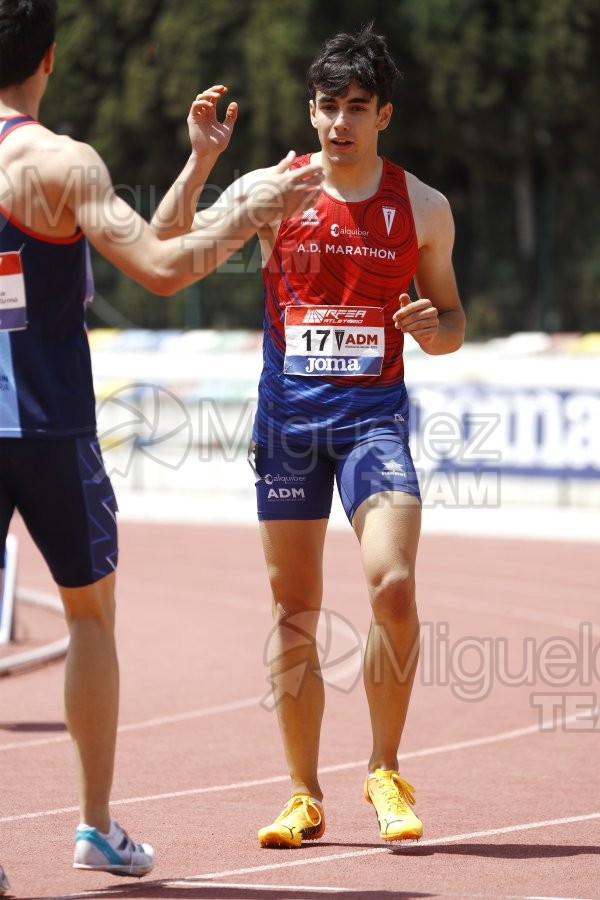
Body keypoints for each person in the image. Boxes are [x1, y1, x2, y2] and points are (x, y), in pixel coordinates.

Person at [0, 0, 322, 885]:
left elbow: (146, 240)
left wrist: (200, 167)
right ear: (50, 59)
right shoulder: (59, 162)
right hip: (48, 422)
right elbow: (163, 272)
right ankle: (95, 826)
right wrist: (250, 201)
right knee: (89, 615)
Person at [247, 23, 466, 847]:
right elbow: (179, 247)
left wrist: (427, 326)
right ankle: (303, 793)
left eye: (357, 107)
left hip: (374, 424)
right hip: (289, 429)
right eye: (328, 105)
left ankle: (384, 769)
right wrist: (202, 161)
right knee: (294, 609)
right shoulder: (277, 194)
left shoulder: (423, 207)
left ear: (385, 117)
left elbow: (452, 323)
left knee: (394, 586)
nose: (340, 121)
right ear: (311, 113)